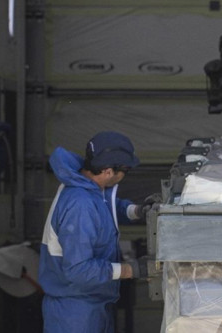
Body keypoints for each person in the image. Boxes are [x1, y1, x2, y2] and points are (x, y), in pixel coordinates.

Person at [39, 131, 153, 333]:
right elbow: (79, 269)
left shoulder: (89, 187)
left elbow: (108, 207)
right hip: (74, 313)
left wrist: (139, 211)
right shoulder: (80, 205)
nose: (124, 176)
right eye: (125, 170)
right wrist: (131, 270)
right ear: (108, 171)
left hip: (90, 303)